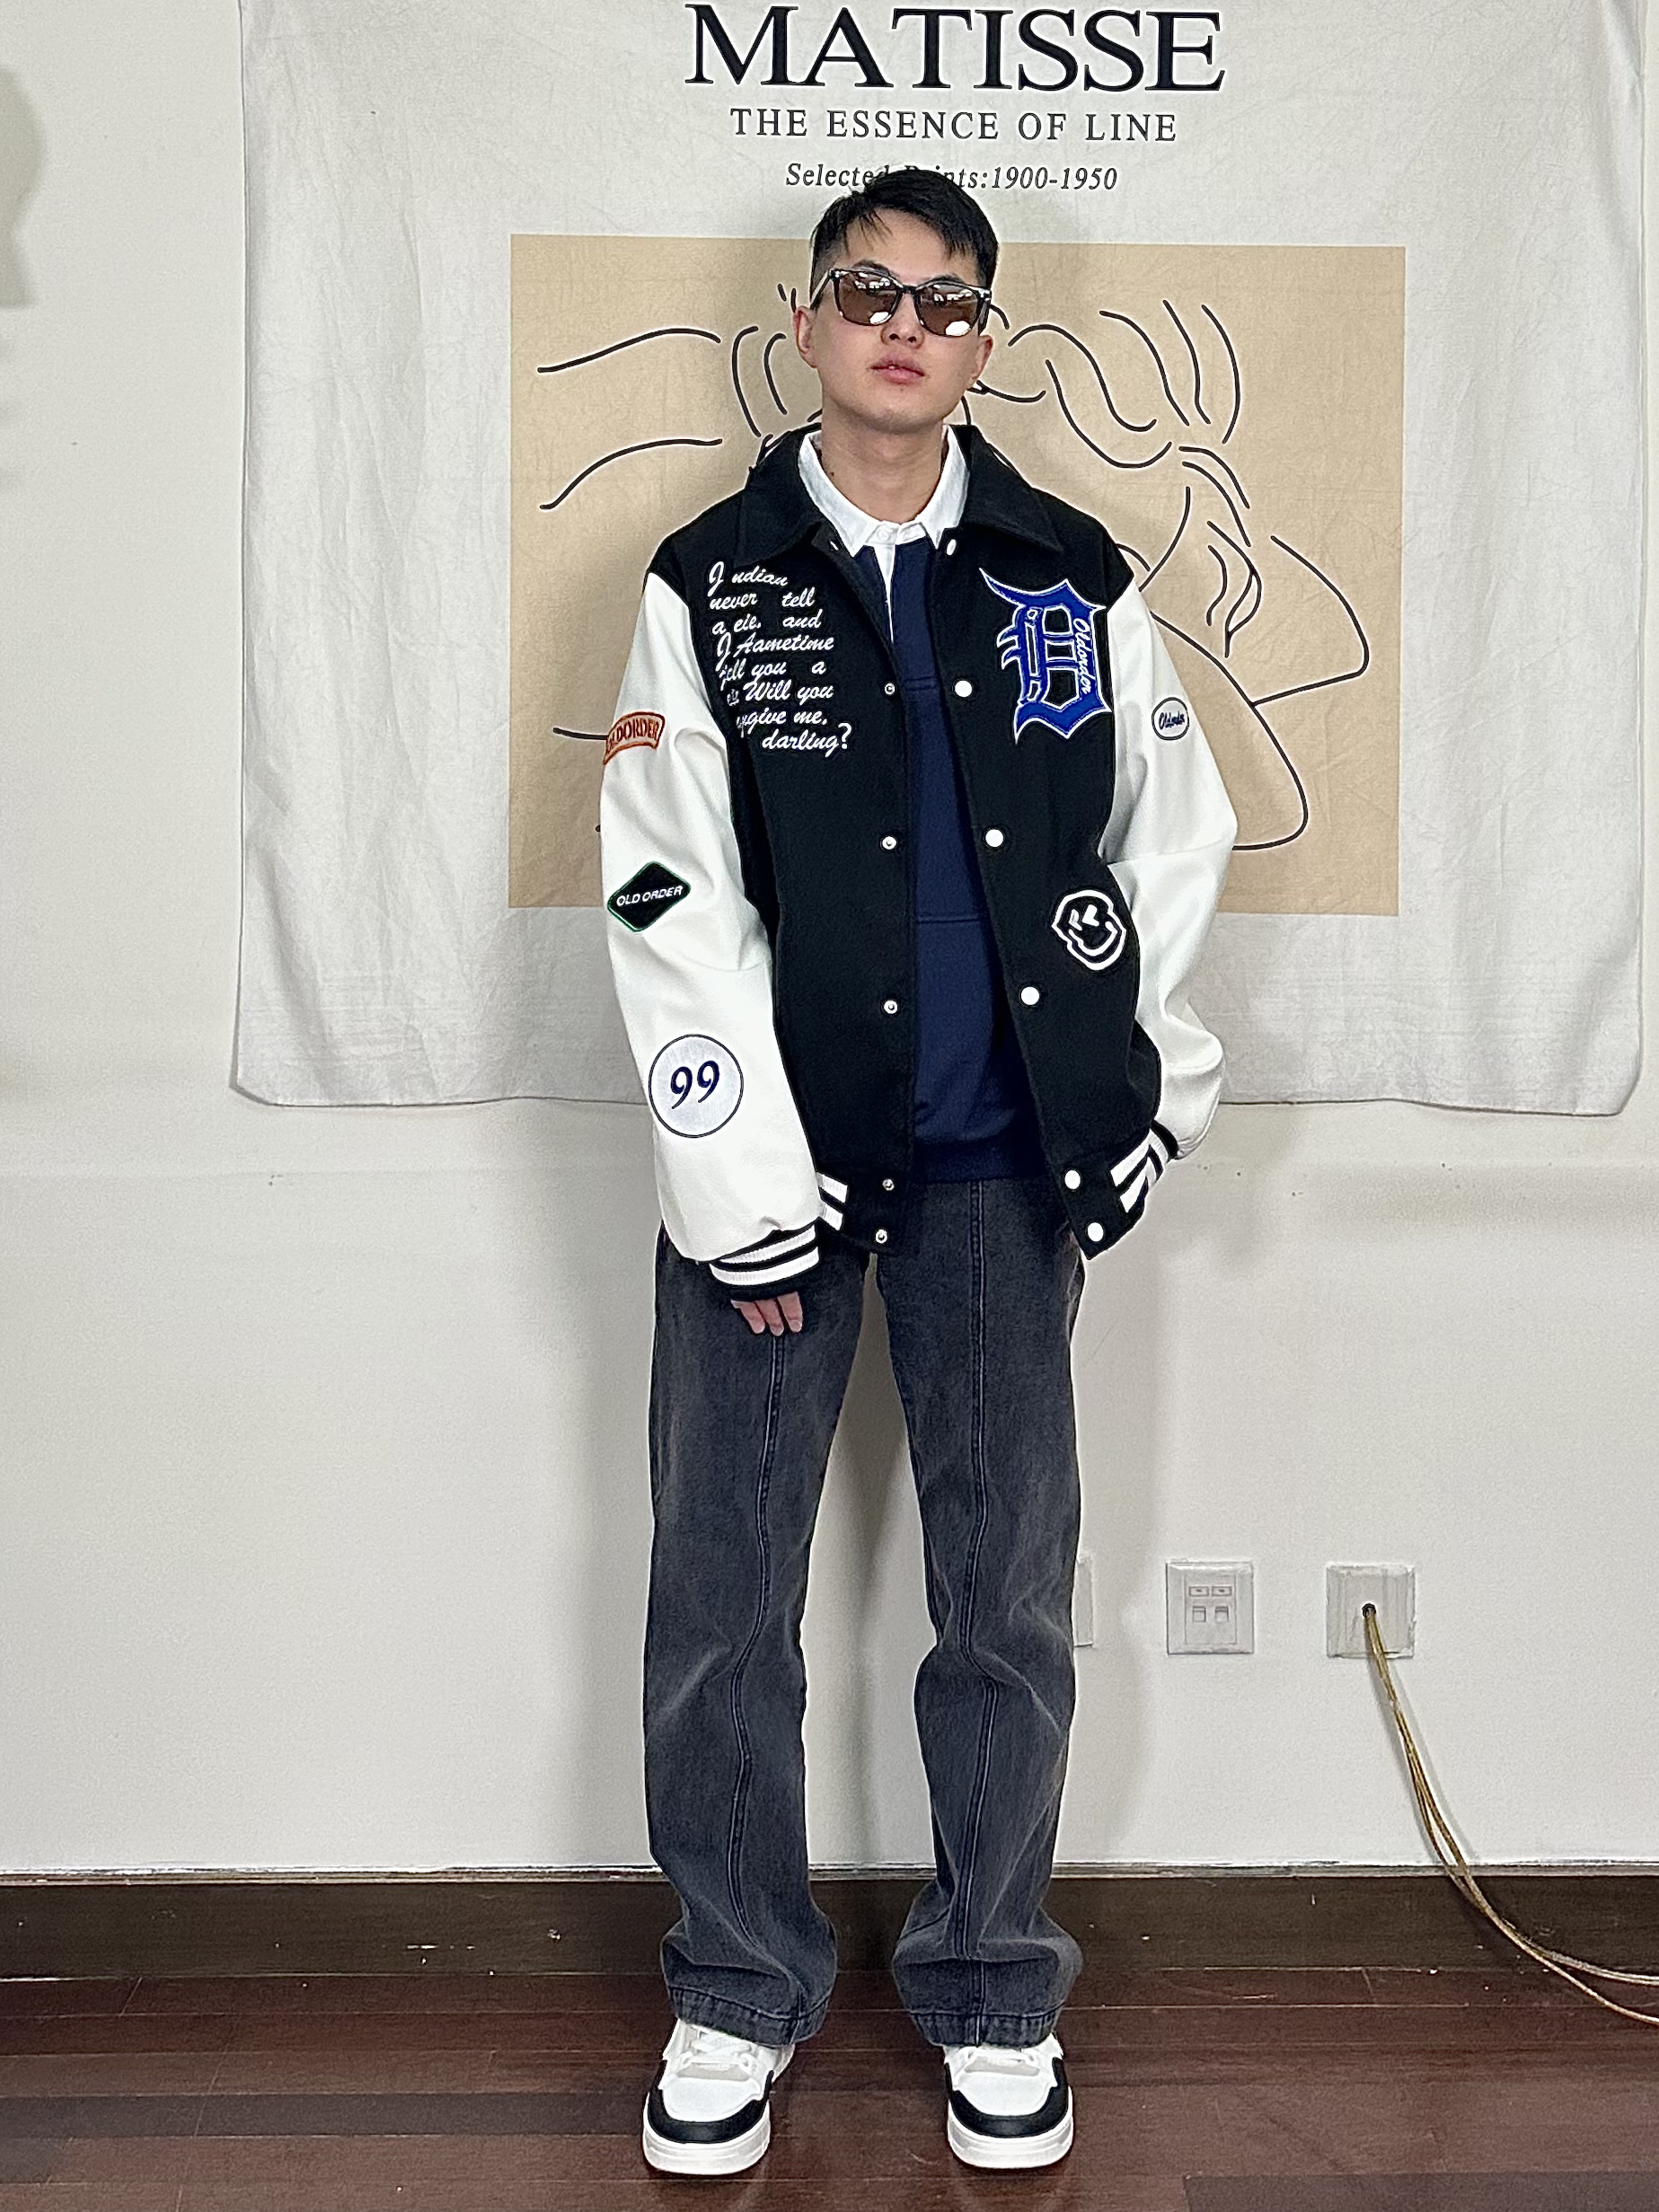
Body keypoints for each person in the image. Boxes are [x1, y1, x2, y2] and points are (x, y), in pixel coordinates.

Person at [598, 166, 1237, 2178]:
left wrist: (1140, 1091)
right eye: (868, 290)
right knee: (722, 1602)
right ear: (807, 320)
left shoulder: (1069, 570)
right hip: (778, 1173)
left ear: (982, 341)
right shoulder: (713, 578)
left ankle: (991, 1980)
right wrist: (735, 1184)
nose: (904, 326)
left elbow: (1167, 843)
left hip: (999, 1173)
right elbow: (663, 890)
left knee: (1009, 1605)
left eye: (945, 301)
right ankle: (734, 1982)